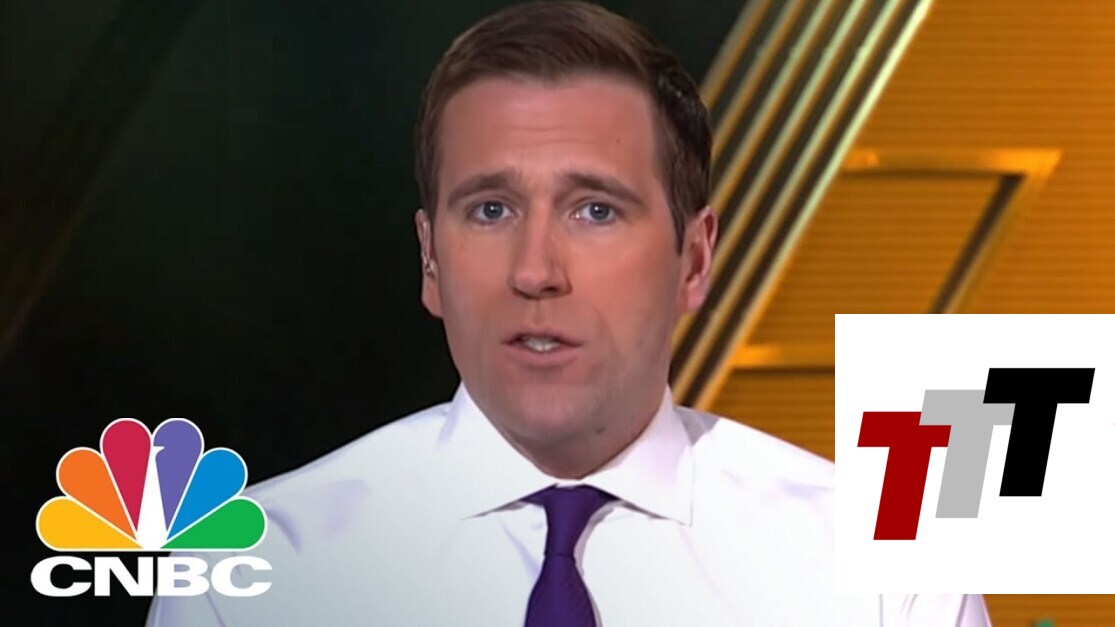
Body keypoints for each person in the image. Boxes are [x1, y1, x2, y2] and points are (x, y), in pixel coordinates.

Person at [148, 2, 991, 625]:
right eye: (490, 210)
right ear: (429, 259)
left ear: (694, 259)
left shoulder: (883, 574)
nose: (535, 271)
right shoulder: (249, 575)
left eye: (594, 210)